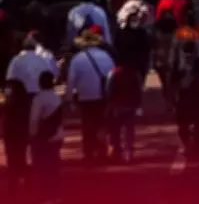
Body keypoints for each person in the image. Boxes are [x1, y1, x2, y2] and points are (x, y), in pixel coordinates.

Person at [66, 27, 115, 163]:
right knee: (102, 124)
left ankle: (89, 153)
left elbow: (71, 80)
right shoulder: (106, 56)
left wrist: (69, 99)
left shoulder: (77, 59)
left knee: (87, 126)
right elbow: (112, 76)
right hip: (103, 95)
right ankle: (102, 151)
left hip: (85, 97)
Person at [28, 71, 63, 197]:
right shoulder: (56, 97)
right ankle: (55, 194)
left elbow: (34, 119)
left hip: (43, 138)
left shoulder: (39, 98)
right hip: (57, 136)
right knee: (54, 167)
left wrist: (32, 135)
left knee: (42, 168)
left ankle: (45, 195)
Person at [106, 54, 143, 163]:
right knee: (129, 130)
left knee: (115, 130)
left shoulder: (113, 73)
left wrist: (110, 104)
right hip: (131, 105)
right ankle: (129, 153)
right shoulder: (135, 73)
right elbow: (139, 90)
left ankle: (117, 152)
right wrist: (138, 104)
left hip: (117, 106)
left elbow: (108, 90)